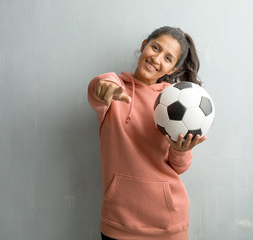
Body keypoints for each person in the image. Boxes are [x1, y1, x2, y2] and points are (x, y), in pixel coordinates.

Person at [88, 26, 207, 240]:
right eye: (155, 47)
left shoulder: (174, 102)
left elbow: (179, 167)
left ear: (171, 69)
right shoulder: (115, 88)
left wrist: (179, 151)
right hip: (118, 223)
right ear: (144, 46)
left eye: (168, 58)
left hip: (168, 225)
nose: (156, 58)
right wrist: (103, 87)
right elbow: (99, 87)